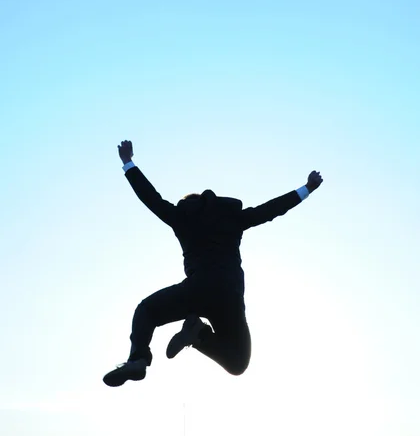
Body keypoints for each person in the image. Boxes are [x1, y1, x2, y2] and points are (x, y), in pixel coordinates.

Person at [103, 140, 323, 387]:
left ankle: (138, 359)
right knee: (238, 363)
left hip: (197, 289)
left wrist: (128, 163)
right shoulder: (233, 218)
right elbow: (270, 210)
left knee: (146, 310)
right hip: (229, 294)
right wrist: (307, 189)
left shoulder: (181, 219)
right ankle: (198, 334)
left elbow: (151, 199)